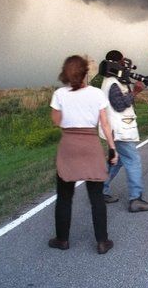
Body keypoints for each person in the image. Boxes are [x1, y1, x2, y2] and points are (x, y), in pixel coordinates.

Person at [49, 55, 118, 255]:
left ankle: (62, 239)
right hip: (91, 144)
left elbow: (56, 121)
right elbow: (105, 124)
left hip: (69, 145)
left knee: (64, 196)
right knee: (96, 196)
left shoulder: (59, 94)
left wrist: (70, 115)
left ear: (65, 73)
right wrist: (112, 148)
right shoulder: (96, 94)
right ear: (86, 73)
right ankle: (102, 241)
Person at [99, 50, 148, 212]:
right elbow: (120, 104)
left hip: (117, 129)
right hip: (120, 130)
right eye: (122, 62)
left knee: (118, 160)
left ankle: (101, 190)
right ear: (116, 63)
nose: (125, 65)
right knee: (133, 160)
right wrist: (136, 92)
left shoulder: (113, 81)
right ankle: (135, 199)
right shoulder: (112, 83)